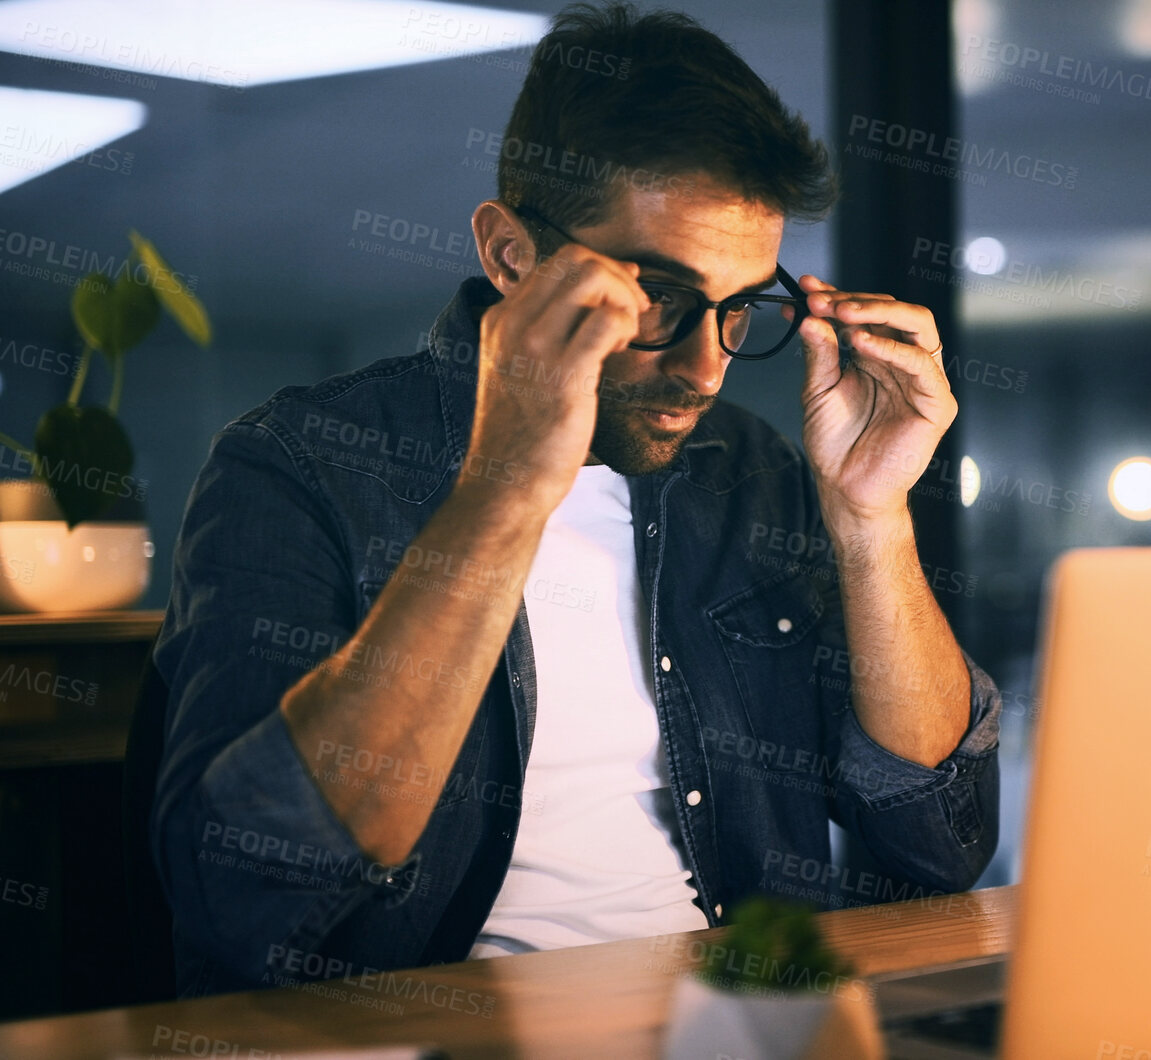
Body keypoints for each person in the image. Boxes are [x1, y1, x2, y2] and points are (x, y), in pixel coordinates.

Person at [151, 2, 999, 998]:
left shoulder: (753, 474)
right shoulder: (296, 464)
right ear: (511, 255)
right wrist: (506, 488)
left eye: (739, 310)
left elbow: (940, 836)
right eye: (658, 300)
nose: (706, 367)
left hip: (738, 1023)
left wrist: (869, 521)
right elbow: (250, 902)